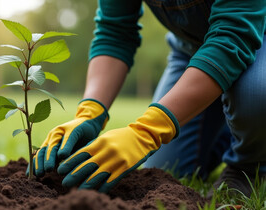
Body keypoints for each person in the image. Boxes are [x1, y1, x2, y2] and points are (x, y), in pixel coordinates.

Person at [29, 0, 266, 197]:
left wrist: (147, 131)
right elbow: (115, 32)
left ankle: (251, 165)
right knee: (164, 170)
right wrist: (90, 112)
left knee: (257, 93)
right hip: (193, 48)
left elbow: (233, 35)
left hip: (254, 36)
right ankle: (238, 126)